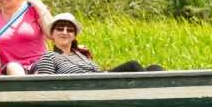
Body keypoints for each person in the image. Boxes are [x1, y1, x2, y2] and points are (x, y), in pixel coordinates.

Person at [35, 13, 164, 74]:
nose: (65, 32)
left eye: (69, 30)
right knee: (133, 65)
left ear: (74, 35)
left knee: (155, 68)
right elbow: (45, 84)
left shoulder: (80, 55)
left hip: (100, 81)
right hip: (84, 87)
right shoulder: (49, 57)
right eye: (60, 29)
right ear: (52, 34)